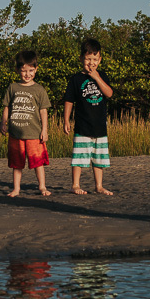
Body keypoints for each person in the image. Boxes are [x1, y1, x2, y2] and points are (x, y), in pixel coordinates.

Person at [62, 38, 115, 195]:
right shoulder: (76, 79)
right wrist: (66, 119)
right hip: (82, 126)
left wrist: (97, 77)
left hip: (100, 127)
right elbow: (69, 100)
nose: (91, 62)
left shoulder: (103, 76)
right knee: (79, 157)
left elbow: (109, 93)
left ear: (99, 59)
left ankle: (98, 186)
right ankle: (75, 185)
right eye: (88, 59)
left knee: (99, 159)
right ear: (81, 59)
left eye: (94, 59)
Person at [0, 50, 52, 197]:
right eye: (24, 71)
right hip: (16, 133)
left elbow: (43, 111)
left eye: (30, 70)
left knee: (38, 161)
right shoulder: (13, 87)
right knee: (17, 163)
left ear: (36, 69)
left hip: (34, 133)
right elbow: (6, 107)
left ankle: (42, 186)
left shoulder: (39, 89)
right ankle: (16, 188)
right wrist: (3, 122)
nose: (27, 74)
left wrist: (45, 130)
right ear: (17, 70)